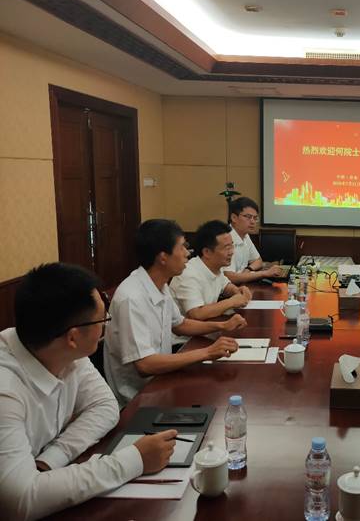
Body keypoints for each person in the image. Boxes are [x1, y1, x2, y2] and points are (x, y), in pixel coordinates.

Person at [0, 263, 177, 520]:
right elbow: (20, 499)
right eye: (102, 320)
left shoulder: (62, 348)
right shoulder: (5, 389)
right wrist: (135, 460)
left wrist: (51, 459)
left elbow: (105, 406)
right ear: (73, 337)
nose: (105, 327)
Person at [104, 219, 247, 406]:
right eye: (182, 247)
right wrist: (207, 352)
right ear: (163, 257)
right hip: (139, 397)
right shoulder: (132, 297)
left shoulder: (159, 283)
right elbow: (145, 365)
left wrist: (222, 325)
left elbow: (179, 324)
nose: (188, 253)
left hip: (164, 380)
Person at [170, 220, 252, 319]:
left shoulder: (215, 267)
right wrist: (232, 302)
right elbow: (197, 313)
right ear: (207, 252)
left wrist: (237, 291)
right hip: (186, 329)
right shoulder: (188, 274)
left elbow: (225, 286)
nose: (231, 252)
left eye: (232, 246)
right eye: (227, 248)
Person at [225, 196, 282, 284]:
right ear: (234, 217)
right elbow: (230, 277)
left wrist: (248, 269)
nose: (252, 222)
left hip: (241, 285)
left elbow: (258, 260)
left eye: (255, 218)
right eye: (248, 217)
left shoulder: (245, 235)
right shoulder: (225, 238)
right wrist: (264, 273)